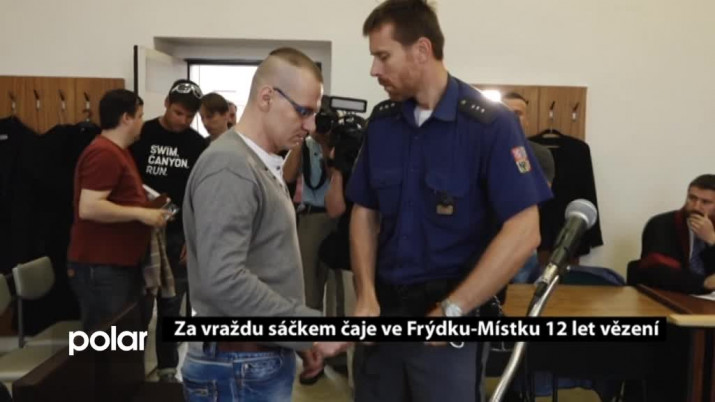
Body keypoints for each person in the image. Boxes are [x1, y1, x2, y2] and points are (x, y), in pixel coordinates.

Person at [347, 2, 552, 401]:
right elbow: (364, 212)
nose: (374, 70)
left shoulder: (490, 125)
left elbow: (525, 230)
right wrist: (365, 293)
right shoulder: (383, 123)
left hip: (449, 328)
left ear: (422, 50)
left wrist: (454, 308)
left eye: (383, 56)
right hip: (383, 321)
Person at [181, 47, 345, 401]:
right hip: (237, 365)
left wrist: (295, 341)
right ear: (267, 97)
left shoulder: (256, 163)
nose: (310, 126)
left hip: (253, 359)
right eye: (303, 111)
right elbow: (224, 279)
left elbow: (264, 263)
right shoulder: (230, 167)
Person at [67, 89, 170, 332]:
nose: (142, 122)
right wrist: (141, 214)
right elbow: (89, 207)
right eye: (140, 116)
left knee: (124, 340)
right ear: (126, 118)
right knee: (109, 344)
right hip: (103, 268)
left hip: (117, 264)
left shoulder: (118, 151)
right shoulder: (104, 153)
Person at [131, 79, 208, 382]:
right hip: (141, 229)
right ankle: (132, 369)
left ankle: (167, 369)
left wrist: (192, 235)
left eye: (190, 116)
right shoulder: (142, 134)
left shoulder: (197, 144)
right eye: (178, 113)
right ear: (166, 103)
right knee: (139, 305)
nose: (183, 121)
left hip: (178, 232)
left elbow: (199, 195)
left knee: (171, 304)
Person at [502, 91, 556, 283]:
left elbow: (534, 199)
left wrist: (517, 150)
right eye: (506, 113)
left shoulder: (539, 154)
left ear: (526, 120)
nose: (512, 118)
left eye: (518, 113)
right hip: (483, 243)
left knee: (520, 295)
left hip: (521, 242)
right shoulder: (482, 150)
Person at [630, 174, 715, 294]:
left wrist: (712, 240)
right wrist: (703, 283)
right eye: (692, 198)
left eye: (705, 202)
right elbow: (658, 272)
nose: (696, 206)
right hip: (668, 297)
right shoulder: (662, 224)